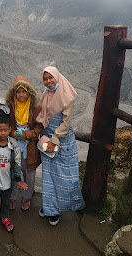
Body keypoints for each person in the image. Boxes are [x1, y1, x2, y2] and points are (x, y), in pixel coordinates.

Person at [36, 66, 85, 226]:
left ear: (57, 78)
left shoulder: (66, 96)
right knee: (49, 176)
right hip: (48, 138)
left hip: (61, 141)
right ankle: (50, 207)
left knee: (62, 177)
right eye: (45, 79)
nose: (48, 81)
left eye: (51, 78)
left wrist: (54, 140)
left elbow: (66, 122)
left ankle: (57, 210)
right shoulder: (46, 94)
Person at [5, 76, 42, 211]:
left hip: (29, 147)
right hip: (14, 145)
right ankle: (12, 197)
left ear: (29, 93)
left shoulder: (35, 108)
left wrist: (27, 134)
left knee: (29, 173)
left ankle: (26, 196)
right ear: (14, 93)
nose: (21, 95)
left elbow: (39, 127)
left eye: (24, 91)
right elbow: (5, 125)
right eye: (18, 92)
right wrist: (11, 133)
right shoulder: (10, 108)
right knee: (13, 172)